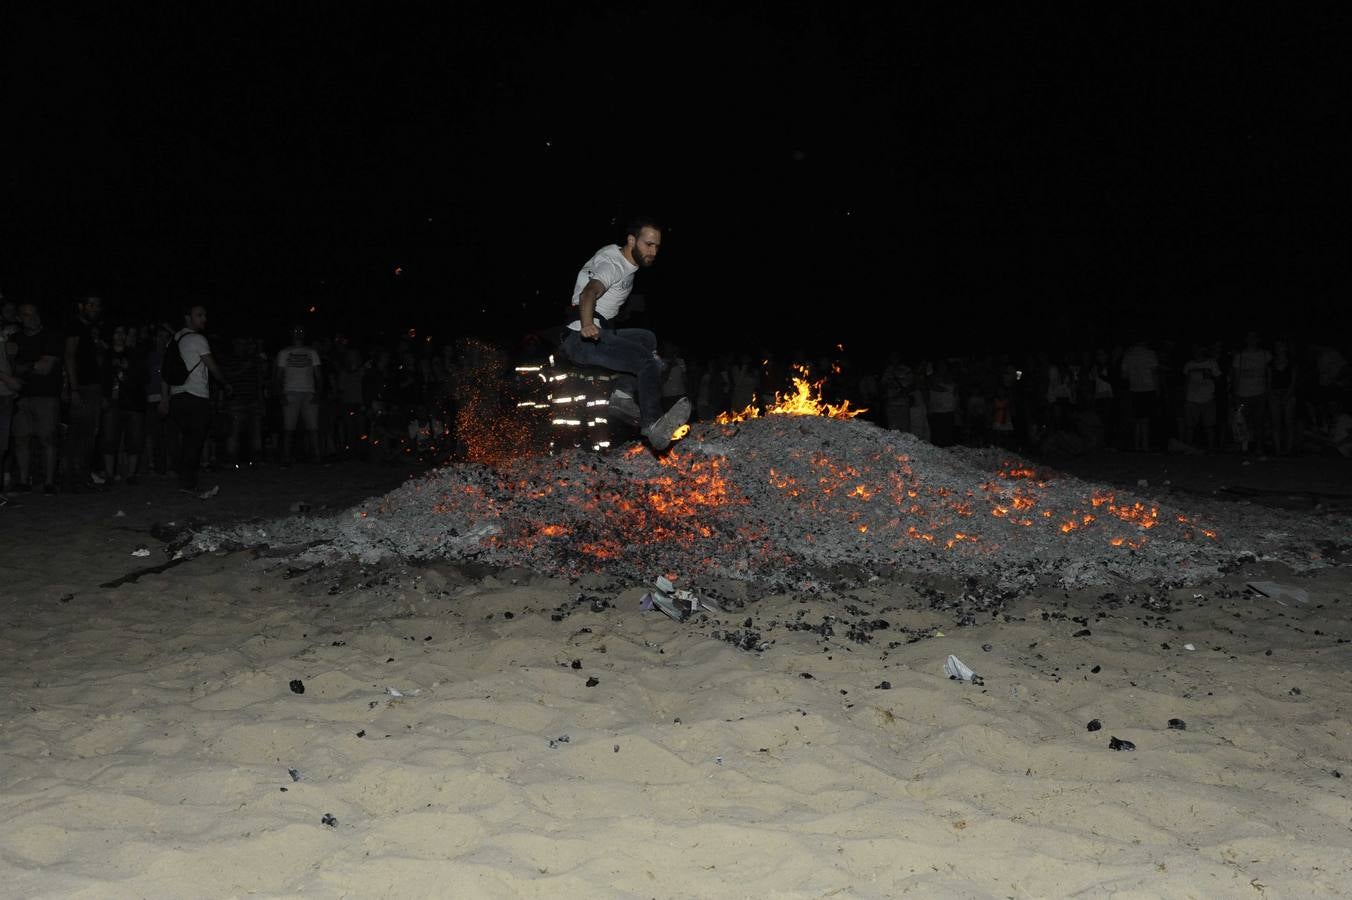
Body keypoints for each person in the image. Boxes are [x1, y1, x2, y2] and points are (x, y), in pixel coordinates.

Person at [559, 216, 689, 452]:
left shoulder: (617, 255)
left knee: (646, 339)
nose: (653, 252)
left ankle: (622, 397)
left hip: (599, 329)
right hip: (583, 336)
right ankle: (654, 425)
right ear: (632, 240)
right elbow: (588, 293)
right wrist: (587, 324)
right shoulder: (615, 266)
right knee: (646, 362)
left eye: (657, 246)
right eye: (648, 245)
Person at [162, 303, 230, 494]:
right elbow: (212, 366)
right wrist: (225, 383)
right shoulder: (198, 339)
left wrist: (165, 398)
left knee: (186, 440)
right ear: (187, 317)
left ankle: (184, 479)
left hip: (177, 397)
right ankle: (188, 483)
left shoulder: (173, 340)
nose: (204, 319)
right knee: (195, 441)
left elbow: (165, 373)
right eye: (199, 315)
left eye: (204, 315)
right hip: (196, 396)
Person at [63, 294, 106, 489]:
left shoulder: (91, 329)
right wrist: (74, 388)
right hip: (83, 387)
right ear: (81, 306)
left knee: (90, 433)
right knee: (80, 433)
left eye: (97, 305)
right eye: (91, 305)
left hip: (93, 386)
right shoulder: (75, 326)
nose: (95, 308)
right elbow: (69, 356)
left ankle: (80, 476)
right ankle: (74, 477)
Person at [275, 324, 323, 464]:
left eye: (301, 331)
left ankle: (317, 457)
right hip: (290, 392)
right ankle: (286, 458)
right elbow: (278, 377)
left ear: (304, 334)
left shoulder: (312, 352)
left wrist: (318, 394)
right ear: (291, 333)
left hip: (309, 392)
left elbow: (319, 376)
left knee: (313, 428)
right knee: (288, 428)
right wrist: (281, 395)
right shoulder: (284, 353)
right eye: (296, 331)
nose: (298, 333)